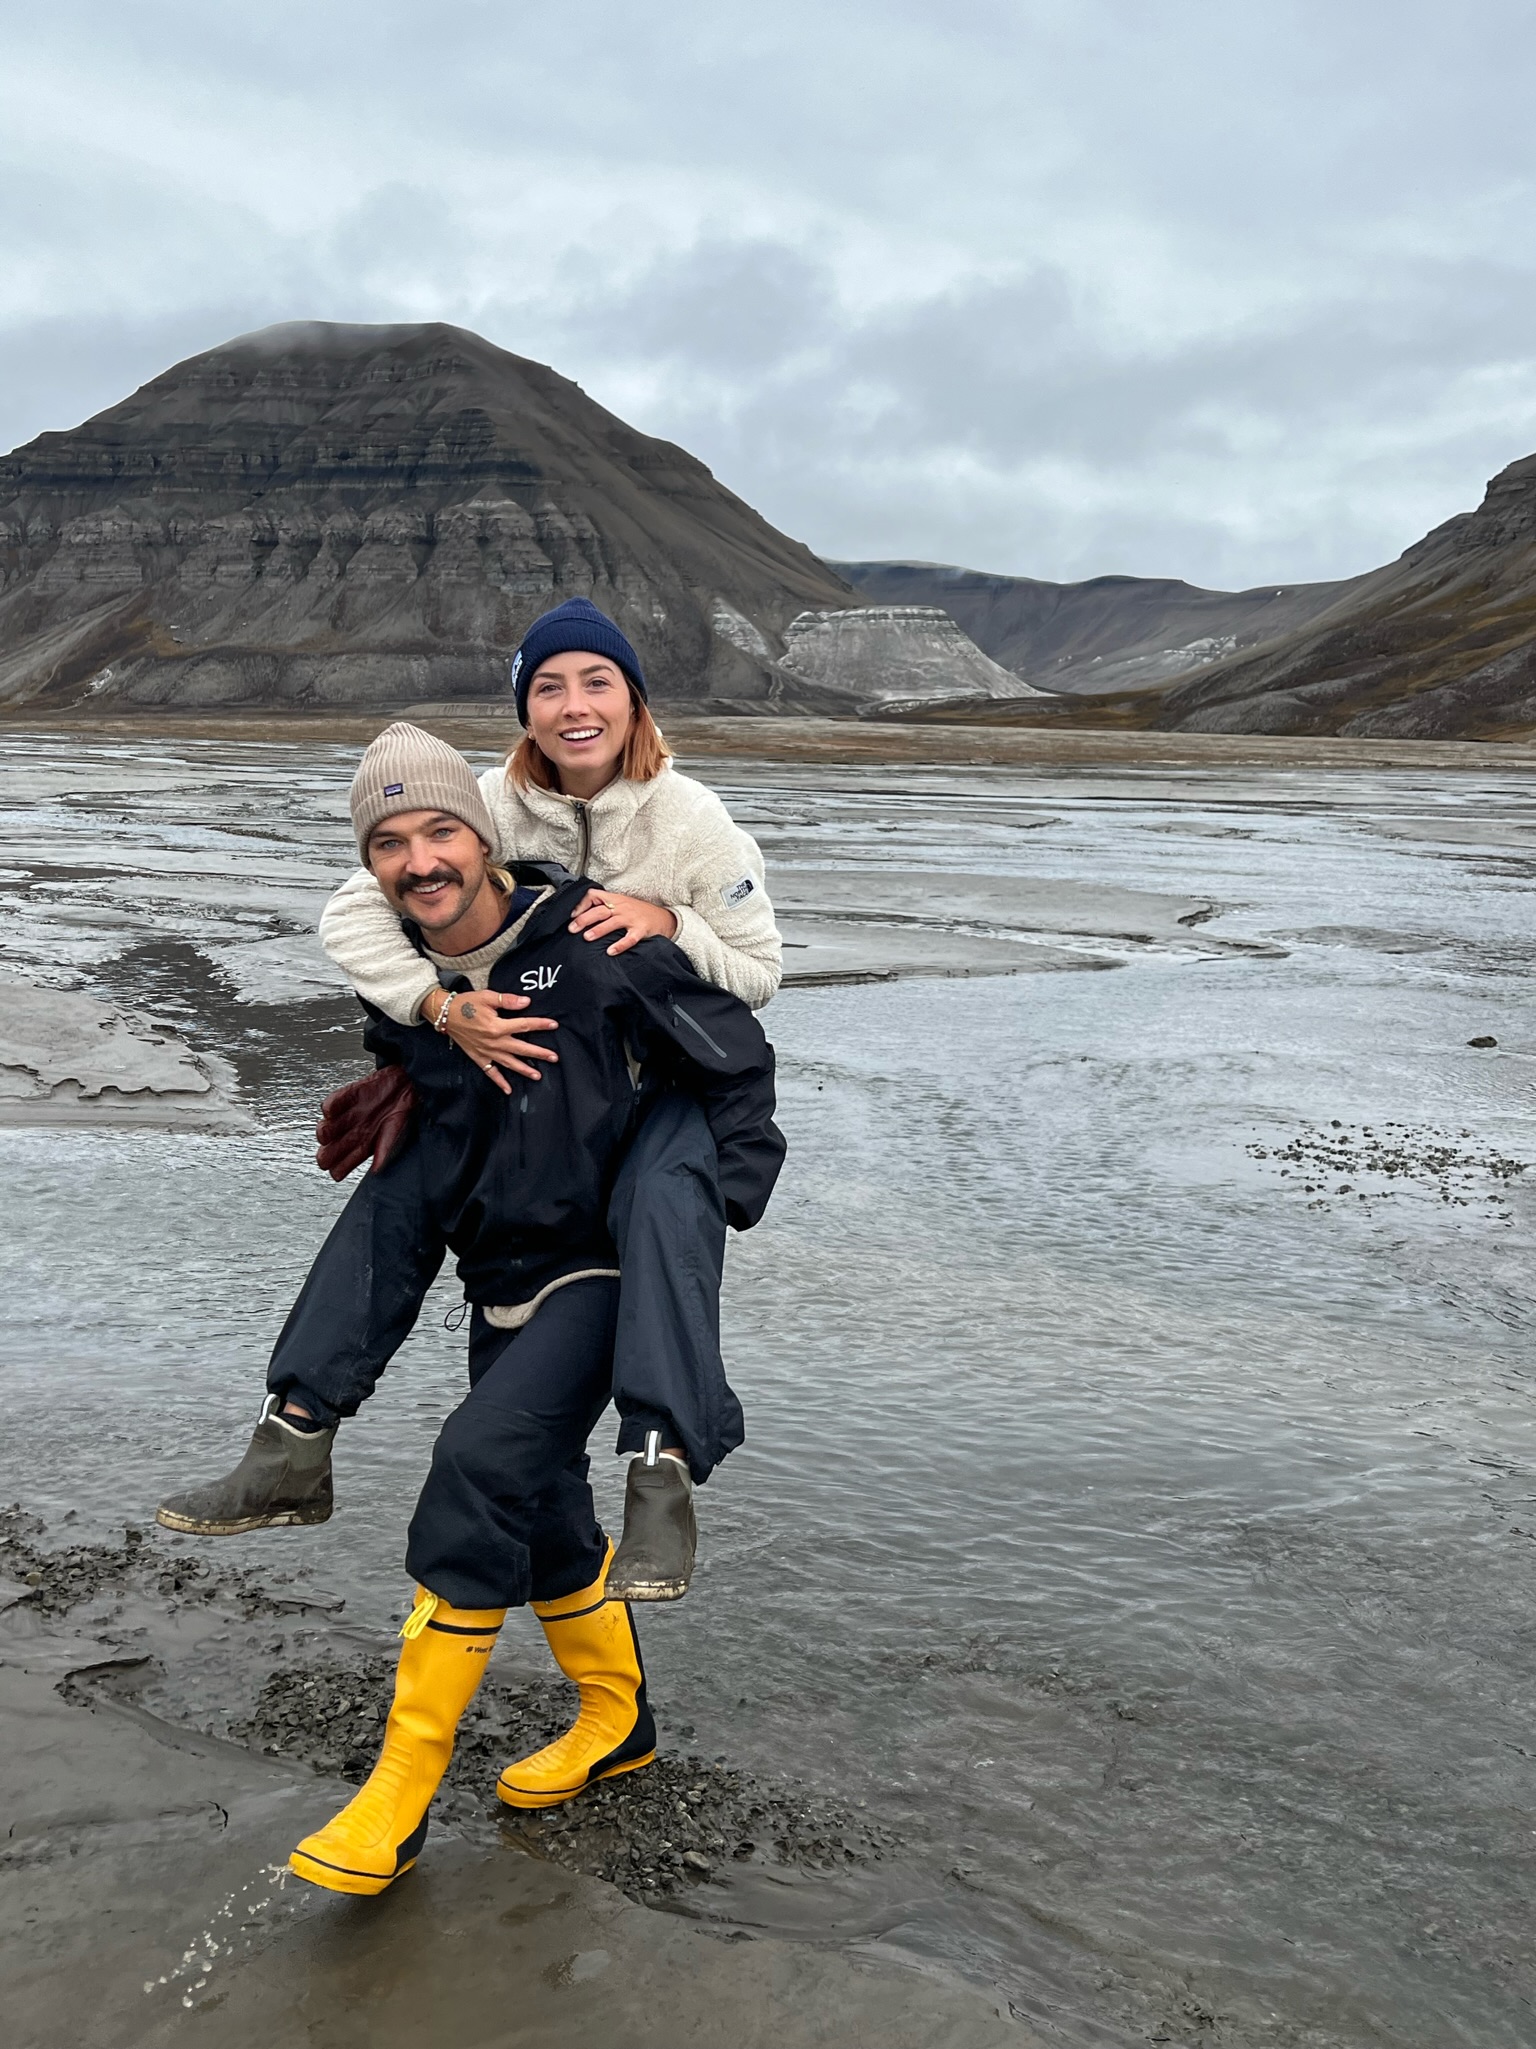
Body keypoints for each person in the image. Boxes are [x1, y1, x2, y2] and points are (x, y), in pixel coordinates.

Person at [159, 600, 779, 1600]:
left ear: (635, 697)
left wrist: (662, 920)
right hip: (530, 1085)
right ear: (523, 708)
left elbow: (753, 975)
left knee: (665, 1203)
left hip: (653, 1070)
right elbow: (364, 908)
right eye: (547, 686)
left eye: (597, 682)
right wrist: (439, 1012)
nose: (573, 707)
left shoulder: (690, 820)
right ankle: (291, 1442)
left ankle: (661, 1468)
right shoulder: (488, 802)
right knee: (396, 1187)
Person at [252, 735, 780, 1895]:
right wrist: (429, 1029)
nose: (417, 859)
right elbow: (399, 1028)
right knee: (541, 1508)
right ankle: (617, 1721)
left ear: (486, 835)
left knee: (482, 1460)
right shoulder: (411, 970)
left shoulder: (592, 940)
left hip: (603, 1271)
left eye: (439, 832)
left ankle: (397, 1796)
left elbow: (737, 1043)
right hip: (499, 1270)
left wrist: (724, 1187)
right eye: (389, 843)